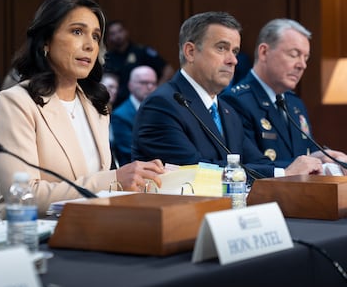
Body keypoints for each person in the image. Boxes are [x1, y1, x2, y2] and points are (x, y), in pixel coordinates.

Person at [0, 0, 164, 219]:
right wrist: (114, 179)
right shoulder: (15, 102)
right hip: (31, 236)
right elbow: (23, 195)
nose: (90, 45)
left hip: (91, 227)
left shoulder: (94, 104)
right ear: (45, 41)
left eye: (96, 36)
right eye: (77, 32)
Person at [131, 11, 323, 178]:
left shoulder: (227, 111)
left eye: (235, 51)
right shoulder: (162, 105)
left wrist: (310, 166)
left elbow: (258, 162)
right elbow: (193, 171)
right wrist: (283, 173)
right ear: (190, 52)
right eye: (221, 48)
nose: (233, 60)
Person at [221, 18, 347, 171]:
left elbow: (303, 152)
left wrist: (322, 157)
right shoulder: (235, 101)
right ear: (264, 52)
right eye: (294, 54)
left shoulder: (295, 104)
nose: (302, 65)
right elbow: (248, 165)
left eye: (305, 57)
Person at [104, 20, 174, 107]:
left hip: (142, 102)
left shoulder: (141, 51)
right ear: (108, 37)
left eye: (120, 31)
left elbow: (168, 70)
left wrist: (156, 91)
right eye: (113, 33)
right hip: (118, 104)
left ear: (126, 32)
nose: (118, 36)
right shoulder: (108, 57)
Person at [111, 65, 158, 166]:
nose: (150, 87)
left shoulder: (159, 109)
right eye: (144, 82)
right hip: (133, 170)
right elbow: (129, 151)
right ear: (130, 85)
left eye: (153, 83)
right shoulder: (120, 115)